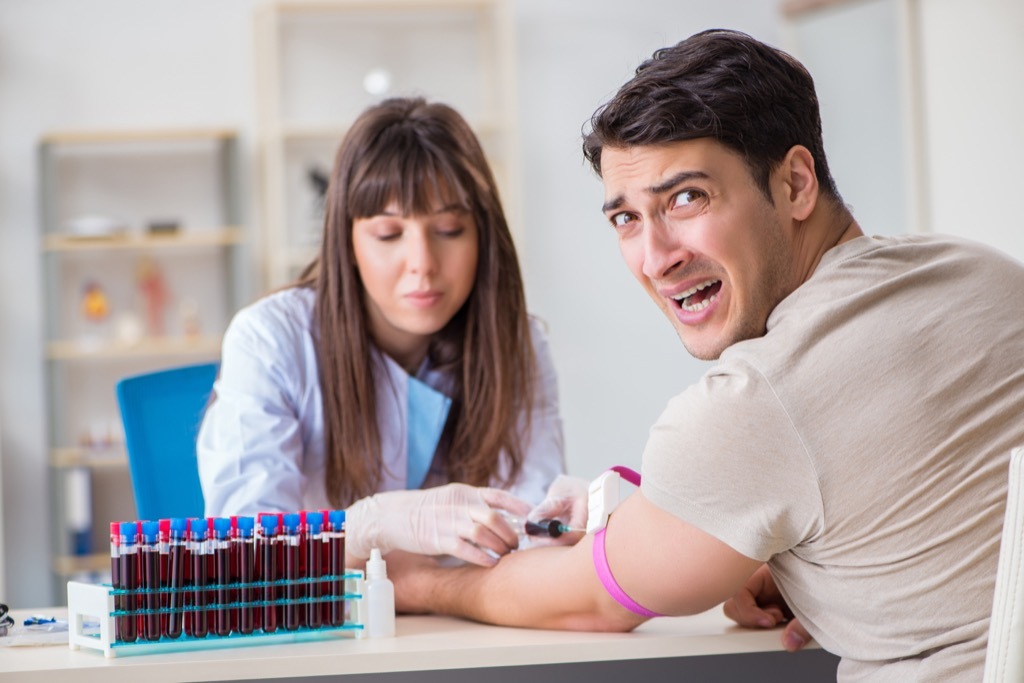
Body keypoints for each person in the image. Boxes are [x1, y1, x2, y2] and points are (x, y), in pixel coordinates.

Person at [387, 29, 1024, 681]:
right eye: (626, 218)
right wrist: (796, 565)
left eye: (687, 198)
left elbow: (595, 599)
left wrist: (419, 583)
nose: (656, 256)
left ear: (796, 183)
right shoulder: (989, 276)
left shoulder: (760, 397)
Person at [197, 97, 570, 568]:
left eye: (450, 229)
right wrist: (370, 527)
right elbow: (242, 555)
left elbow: (531, 540)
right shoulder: (270, 340)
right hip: (320, 631)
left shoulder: (517, 346)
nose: (423, 265)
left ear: (483, 236)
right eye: (389, 234)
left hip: (460, 632)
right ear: (347, 241)